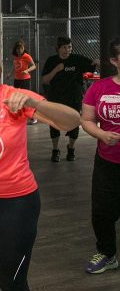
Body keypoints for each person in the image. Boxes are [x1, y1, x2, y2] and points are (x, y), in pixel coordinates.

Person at [0, 44, 80, 291]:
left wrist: (36, 103)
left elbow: (72, 121)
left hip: (18, 200)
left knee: (11, 280)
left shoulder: (12, 97)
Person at [81, 37, 120, 275]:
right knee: (102, 212)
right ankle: (107, 254)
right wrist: (103, 135)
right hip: (107, 162)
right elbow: (86, 121)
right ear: (114, 61)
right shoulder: (99, 88)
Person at [42, 36, 99, 162]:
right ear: (58, 48)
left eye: (69, 47)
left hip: (74, 98)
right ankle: (55, 150)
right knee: (54, 124)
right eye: (64, 47)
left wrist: (98, 61)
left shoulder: (77, 59)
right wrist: (56, 70)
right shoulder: (52, 61)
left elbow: (93, 65)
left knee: (74, 124)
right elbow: (45, 80)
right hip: (56, 98)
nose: (67, 50)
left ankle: (71, 149)